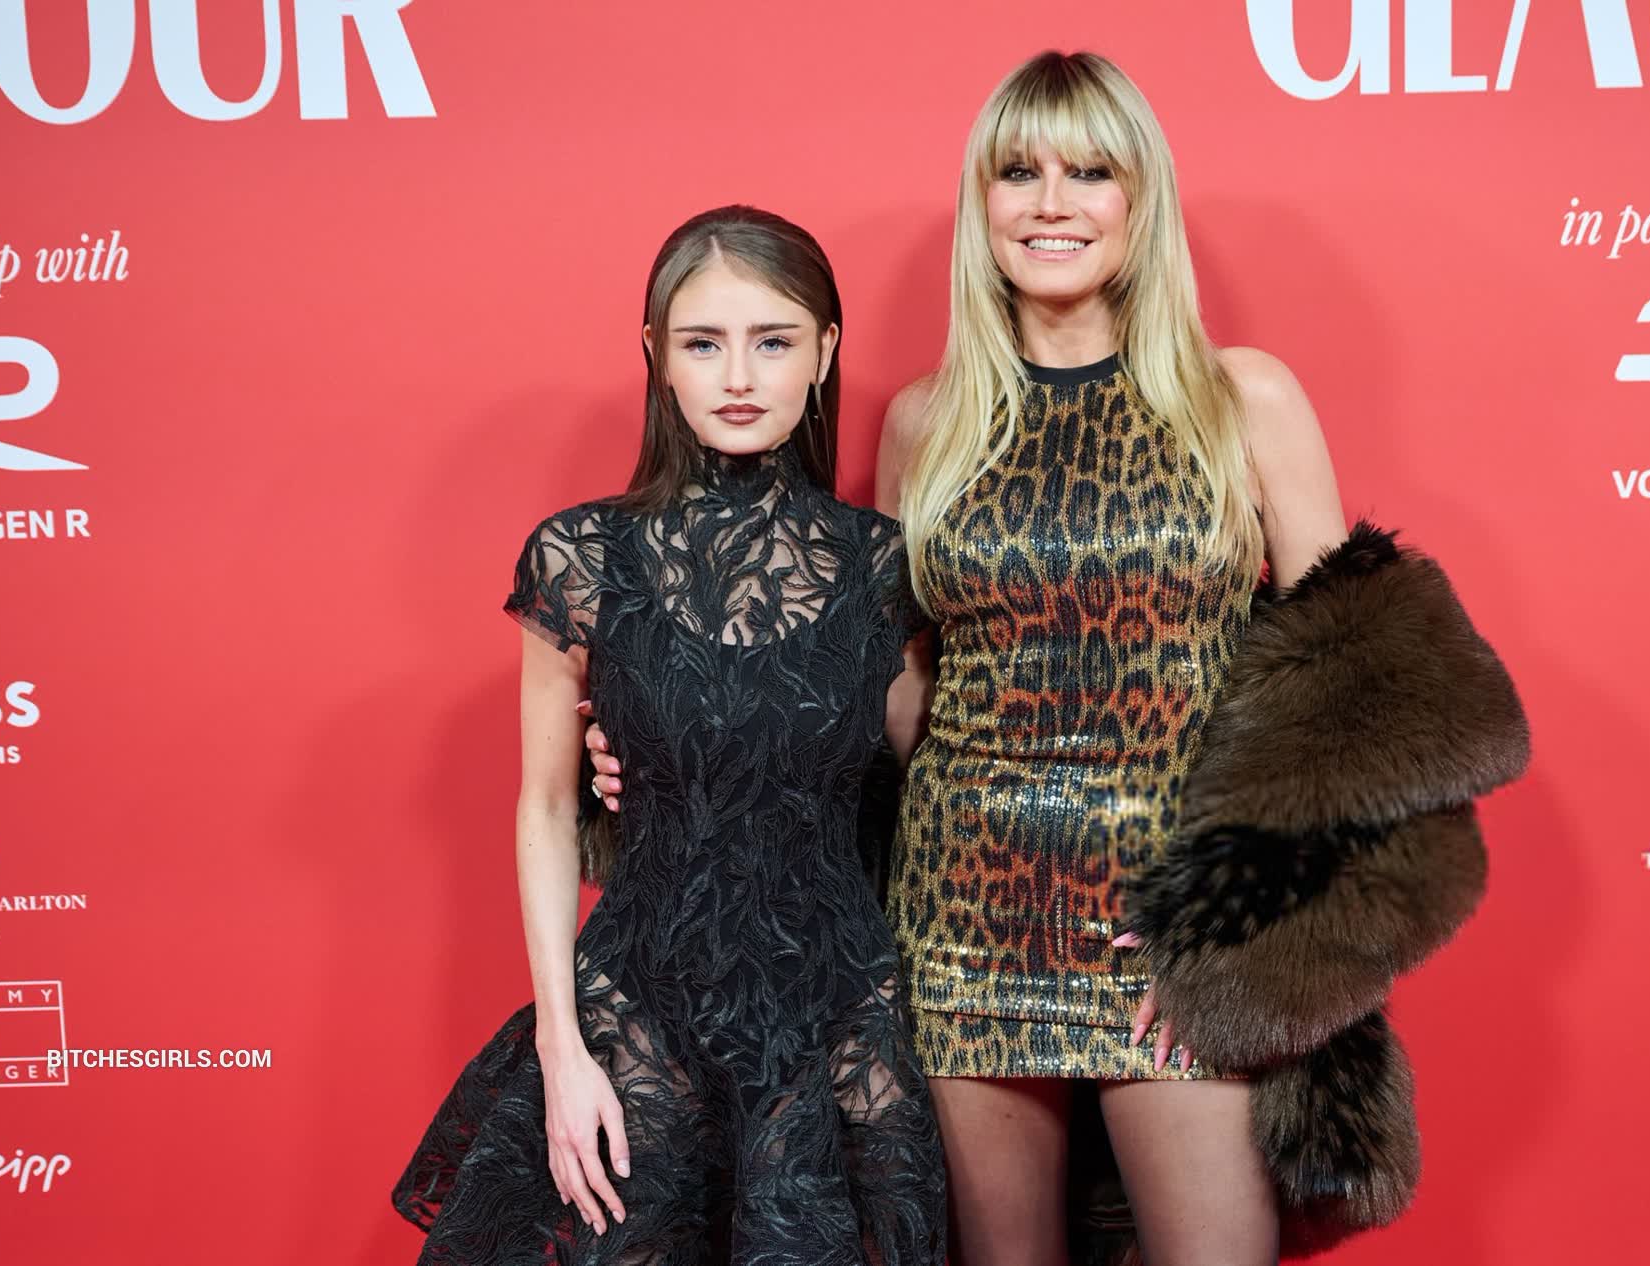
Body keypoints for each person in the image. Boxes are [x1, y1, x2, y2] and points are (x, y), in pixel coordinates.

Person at [585, 53, 1526, 1266]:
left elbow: (1357, 692)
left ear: (1141, 198)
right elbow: (892, 687)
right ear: (981, 201)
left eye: (1089, 172)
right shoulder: (929, 419)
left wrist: (1239, 927)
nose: (1050, 202)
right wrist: (674, 741)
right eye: (1017, 172)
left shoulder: (1243, 400)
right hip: (962, 915)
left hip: (1164, 919)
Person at [393, 205, 946, 1265]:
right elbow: (546, 806)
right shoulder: (580, 557)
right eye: (702, 343)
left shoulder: (885, 565)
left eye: (773, 341)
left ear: (826, 351)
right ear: (655, 354)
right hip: (641, 1017)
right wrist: (562, 1049)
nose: (738, 376)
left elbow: (932, 780)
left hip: (836, 1023)